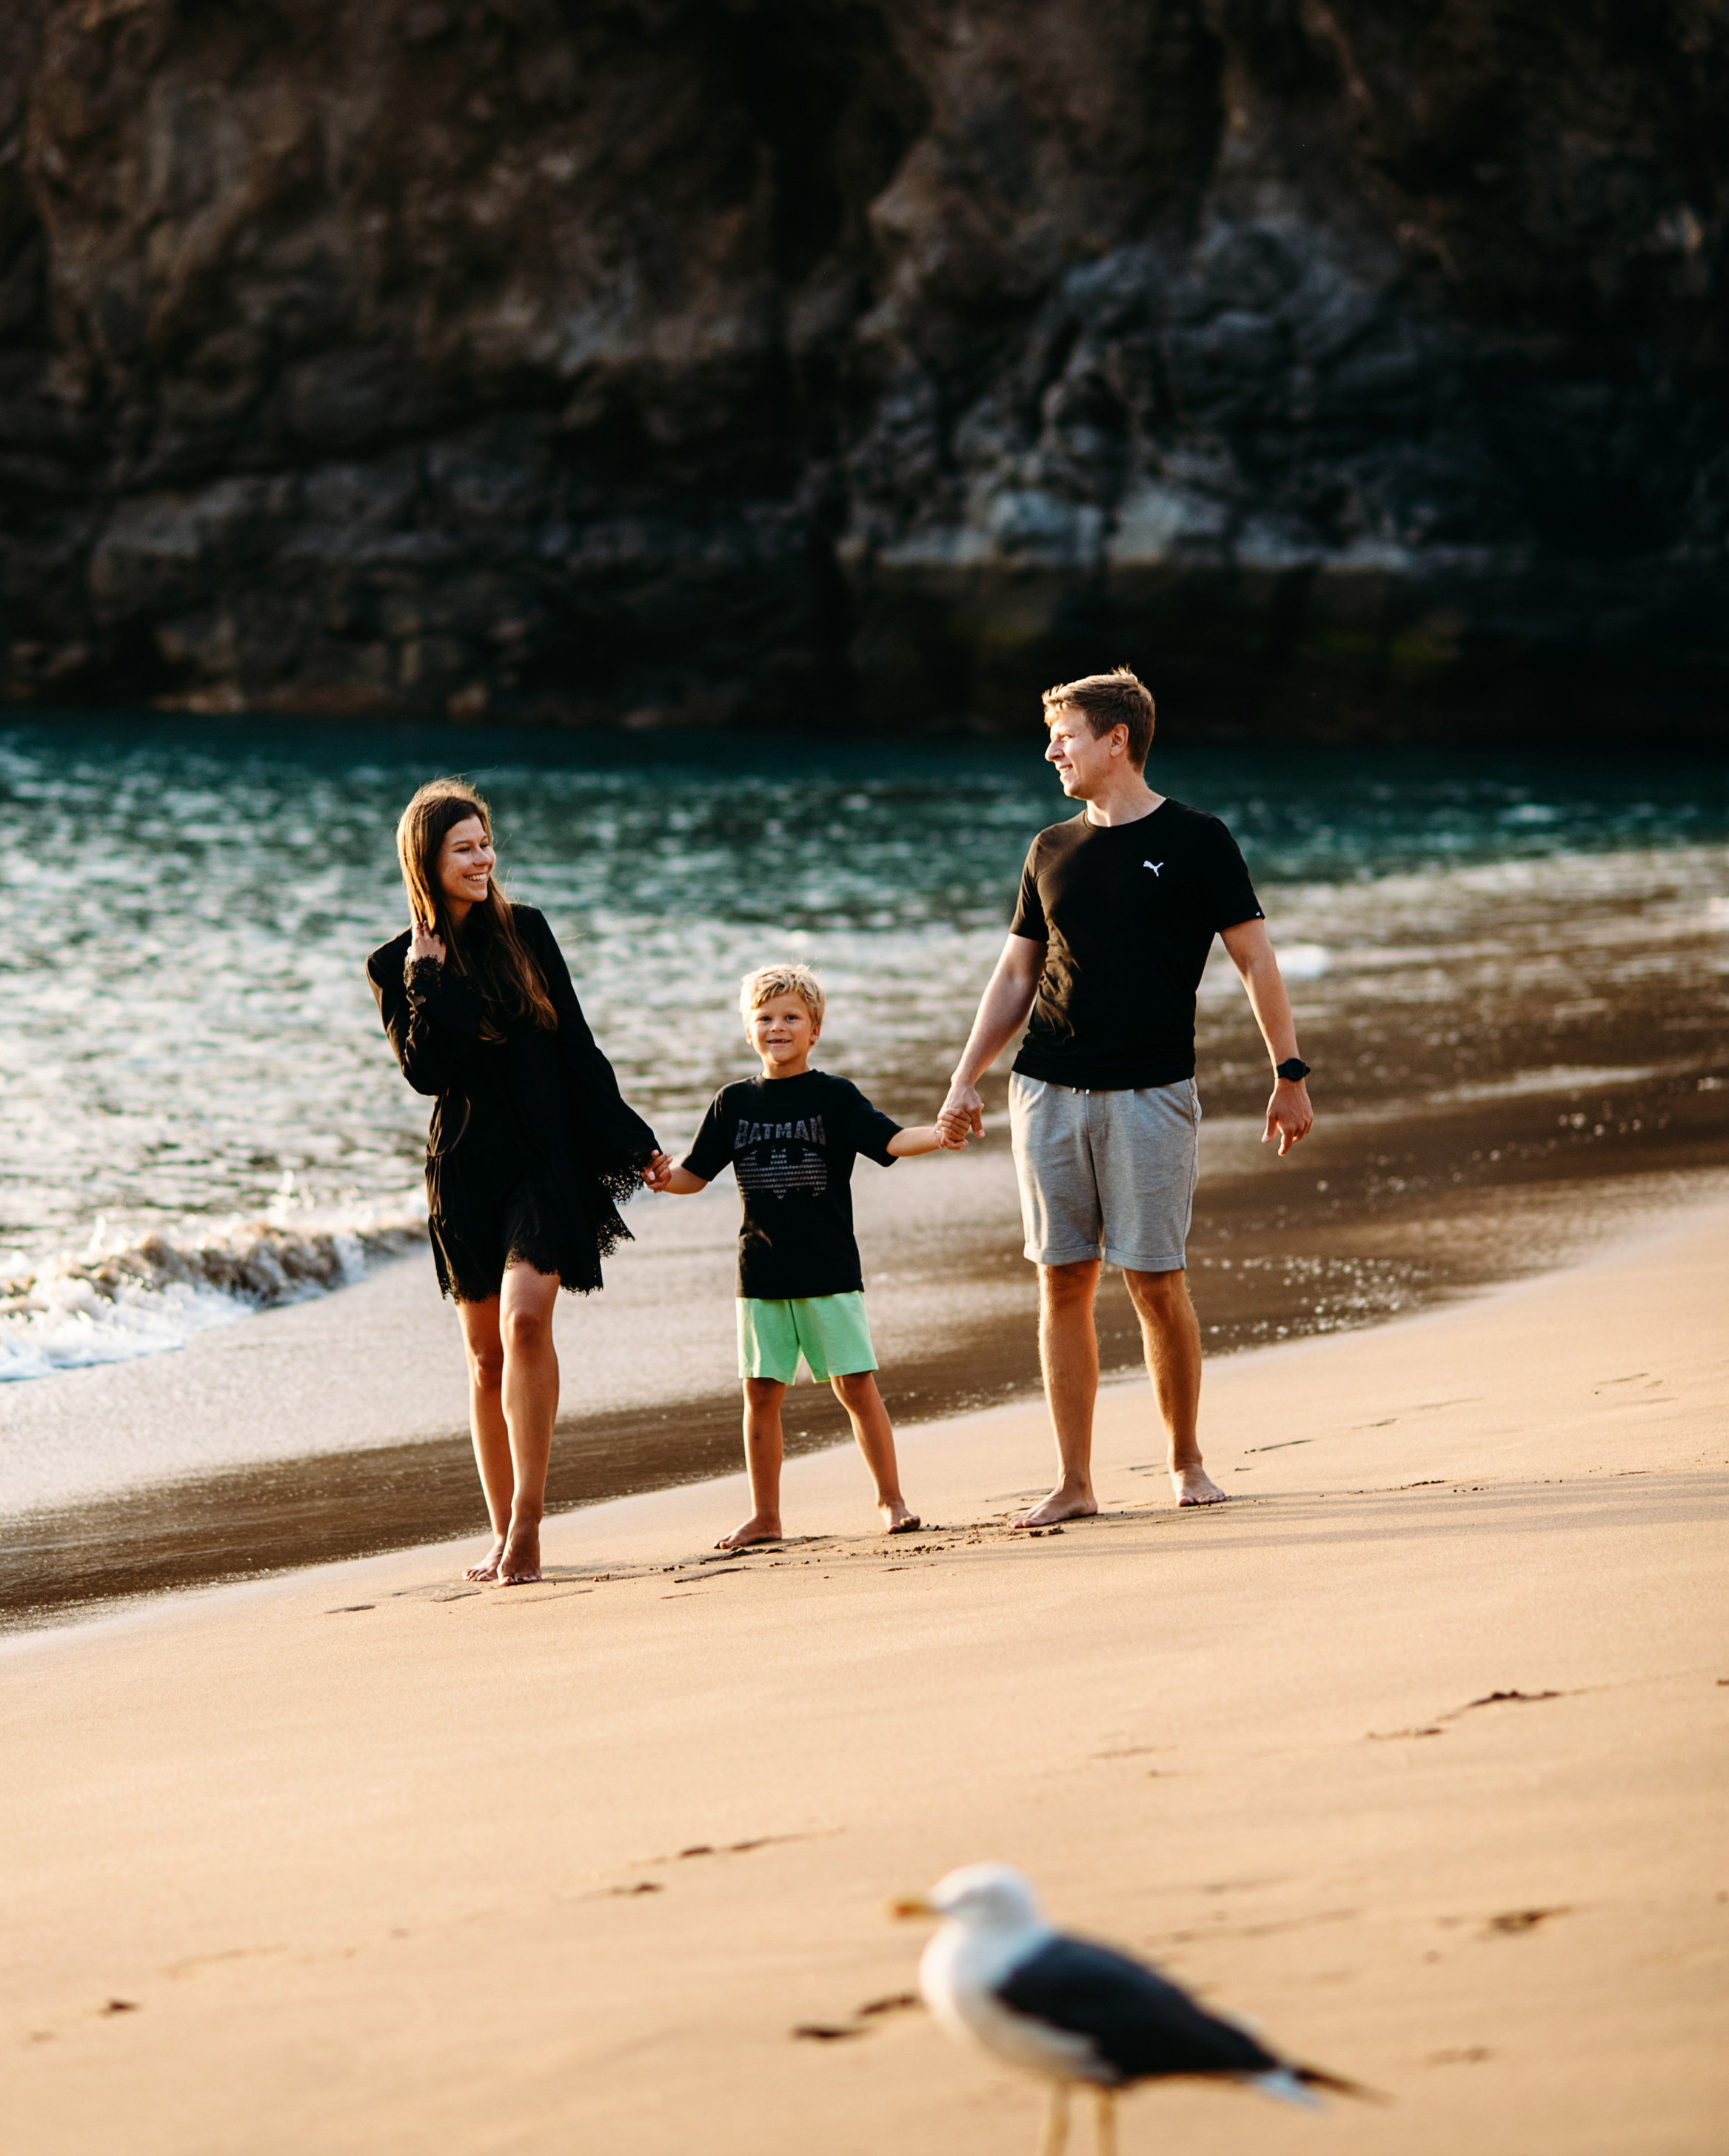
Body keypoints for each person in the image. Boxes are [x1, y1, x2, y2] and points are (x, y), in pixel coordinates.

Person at [938, 668, 1313, 1526]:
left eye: (1064, 735)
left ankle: (1186, 1462)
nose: (1050, 751)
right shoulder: (1049, 848)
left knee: (1153, 1279)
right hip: (1047, 1088)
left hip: (1150, 1092)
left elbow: (1255, 960)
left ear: (1117, 740)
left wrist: (1288, 1073)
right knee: (1060, 1280)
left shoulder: (1197, 839)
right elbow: (1015, 974)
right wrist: (966, 1078)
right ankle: (1074, 1482)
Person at [367, 778, 669, 1586]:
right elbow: (426, 1073)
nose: (482, 858)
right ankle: (499, 1529)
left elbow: (576, 1048)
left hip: (542, 1159)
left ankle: (530, 1526)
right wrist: (426, 980)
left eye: (485, 844)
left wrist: (635, 1143)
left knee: (526, 1323)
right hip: (464, 1171)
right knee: (482, 1358)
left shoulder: (527, 932)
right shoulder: (395, 962)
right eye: (463, 848)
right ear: (426, 861)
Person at [658, 964, 967, 1550]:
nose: (778, 1027)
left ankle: (891, 1500)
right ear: (749, 1030)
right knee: (761, 1393)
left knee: (856, 1387)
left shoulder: (834, 1096)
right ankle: (766, 1516)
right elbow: (693, 1176)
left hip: (828, 1271)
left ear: (814, 1029)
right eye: (766, 1018)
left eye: (791, 1017)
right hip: (761, 1273)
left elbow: (890, 1141)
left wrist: (939, 1134)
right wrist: (654, 1175)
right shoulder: (732, 1103)